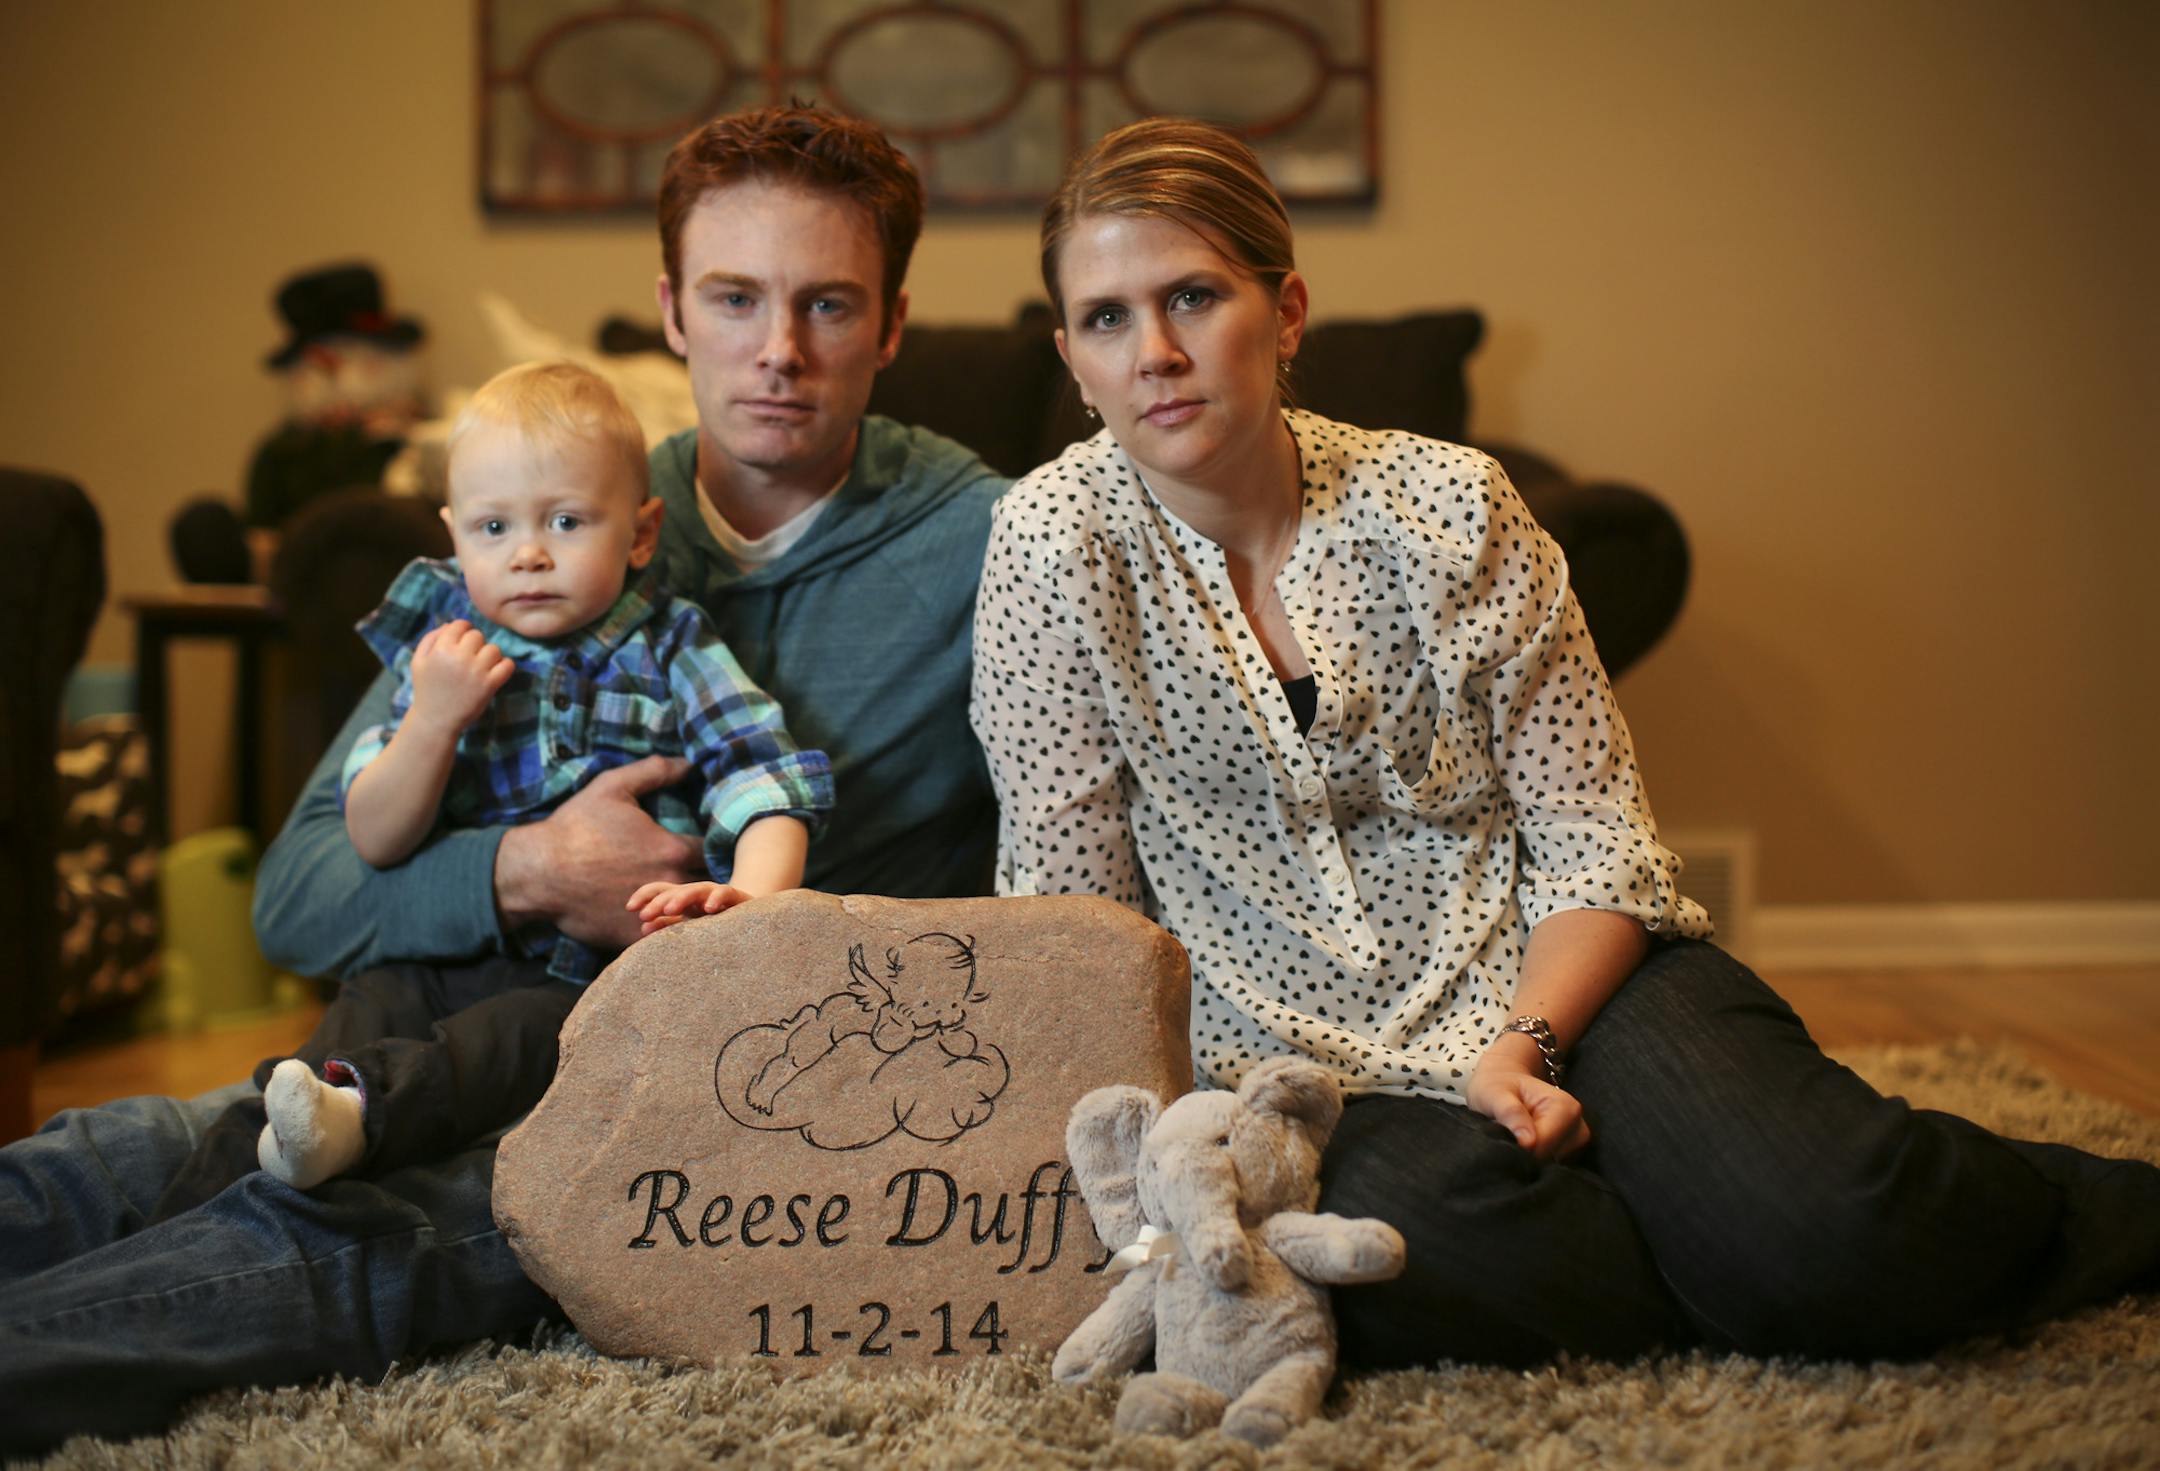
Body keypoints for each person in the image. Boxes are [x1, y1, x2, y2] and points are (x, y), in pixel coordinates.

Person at [971, 116, 2159, 1377]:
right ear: (1071, 357)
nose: (1152, 352)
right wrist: (1160, 1162)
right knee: (1410, 1254)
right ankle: (1750, 1247)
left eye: (1193, 296)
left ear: (1289, 309)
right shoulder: (1050, 547)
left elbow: (1595, 837)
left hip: (1568, 988)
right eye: (1106, 319)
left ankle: (2015, 1214)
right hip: (1301, 1079)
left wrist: (1523, 1043)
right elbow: (1071, 907)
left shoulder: (1452, 506)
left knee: (1835, 1219)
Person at [0, 104, 1006, 1455]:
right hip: (435, 1029)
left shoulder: (995, 544)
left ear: (889, 324)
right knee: (108, 1157)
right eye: (734, 297)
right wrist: (533, 866)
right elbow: (301, 896)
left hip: (705, 1099)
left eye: (829, 304)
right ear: (671, 309)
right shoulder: (552, 507)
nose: (778, 350)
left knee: (327, 1227)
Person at [197, 359, 835, 1202]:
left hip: (579, 973)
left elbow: (763, 768)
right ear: (454, 535)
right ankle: (245, 1166)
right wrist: (430, 721)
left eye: (566, 521)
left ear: (641, 533)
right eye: (493, 529)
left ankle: (357, 1121)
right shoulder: (441, 656)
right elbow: (374, 836)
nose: (529, 554)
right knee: (362, 1009)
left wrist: (750, 899)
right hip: (438, 950)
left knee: (510, 1043)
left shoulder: (671, 648)